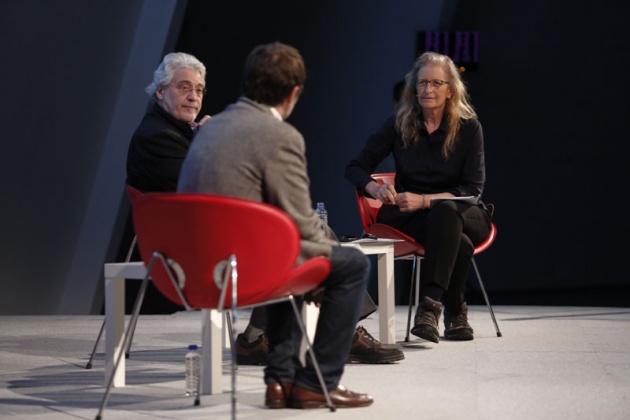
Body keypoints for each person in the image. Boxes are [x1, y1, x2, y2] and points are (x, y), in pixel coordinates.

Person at [126, 53, 400, 366]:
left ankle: (260, 339)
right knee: (302, 237)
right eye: (184, 88)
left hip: (204, 235)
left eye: (199, 90)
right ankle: (337, 335)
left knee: (297, 233)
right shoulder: (157, 137)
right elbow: (210, 191)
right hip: (191, 249)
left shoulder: (178, 132)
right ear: (160, 91)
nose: (194, 97)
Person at [178, 42, 374, 409]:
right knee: (351, 264)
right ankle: (318, 382)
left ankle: (280, 382)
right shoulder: (281, 136)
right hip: (244, 272)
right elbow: (302, 221)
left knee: (292, 259)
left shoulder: (210, 128)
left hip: (195, 267)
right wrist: (323, 267)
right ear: (294, 93)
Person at [345, 51, 492, 343]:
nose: (428, 90)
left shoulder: (468, 127)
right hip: (416, 218)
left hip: (467, 211)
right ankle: (455, 312)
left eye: (436, 83)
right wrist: (374, 188)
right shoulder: (400, 124)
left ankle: (429, 306)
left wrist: (425, 200)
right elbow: (355, 168)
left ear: (451, 89)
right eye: (422, 83)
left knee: (447, 211)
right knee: (454, 236)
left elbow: (473, 190)